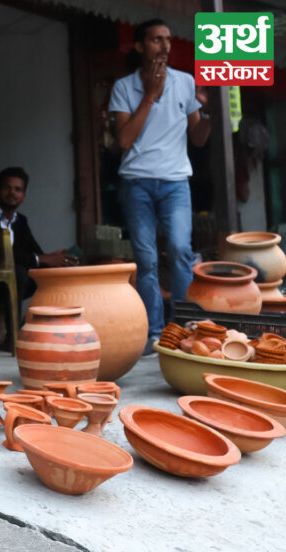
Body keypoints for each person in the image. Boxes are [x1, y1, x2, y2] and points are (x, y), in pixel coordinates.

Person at [108, 19, 211, 355]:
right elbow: (124, 139)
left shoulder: (186, 82)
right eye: (156, 40)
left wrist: (210, 113)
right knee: (147, 259)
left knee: (181, 250)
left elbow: (197, 138)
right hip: (136, 182)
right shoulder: (123, 87)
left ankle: (182, 330)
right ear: (140, 46)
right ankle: (154, 334)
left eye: (168, 39)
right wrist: (150, 96)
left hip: (176, 182)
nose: (165, 46)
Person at [0, 168, 77, 348]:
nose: (12, 193)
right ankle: (12, 337)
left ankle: (47, 328)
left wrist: (54, 257)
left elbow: (35, 252)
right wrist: (41, 259)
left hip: (11, 280)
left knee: (47, 274)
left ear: (24, 195)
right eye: (7, 188)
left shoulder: (20, 221)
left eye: (18, 189)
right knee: (19, 273)